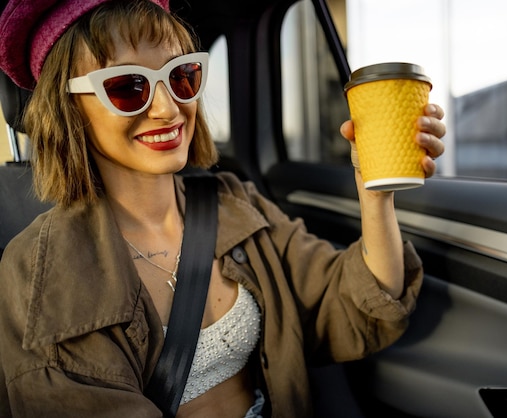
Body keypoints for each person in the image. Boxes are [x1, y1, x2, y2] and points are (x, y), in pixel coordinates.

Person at [0, 0, 446, 417]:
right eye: (127, 87)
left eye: (180, 76)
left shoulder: (236, 205)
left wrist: (375, 192)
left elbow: (355, 304)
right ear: (69, 109)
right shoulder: (35, 273)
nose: (167, 108)